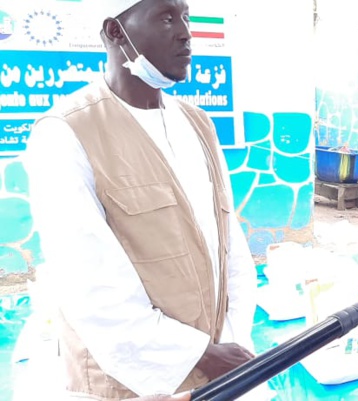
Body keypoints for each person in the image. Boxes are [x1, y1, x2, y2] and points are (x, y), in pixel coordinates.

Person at [23, 0, 265, 399]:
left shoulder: (197, 123)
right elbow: (92, 288)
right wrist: (199, 355)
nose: (186, 33)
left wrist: (232, 339)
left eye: (186, 17)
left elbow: (230, 249)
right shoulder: (65, 133)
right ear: (115, 31)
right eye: (166, 18)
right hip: (128, 382)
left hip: (217, 369)